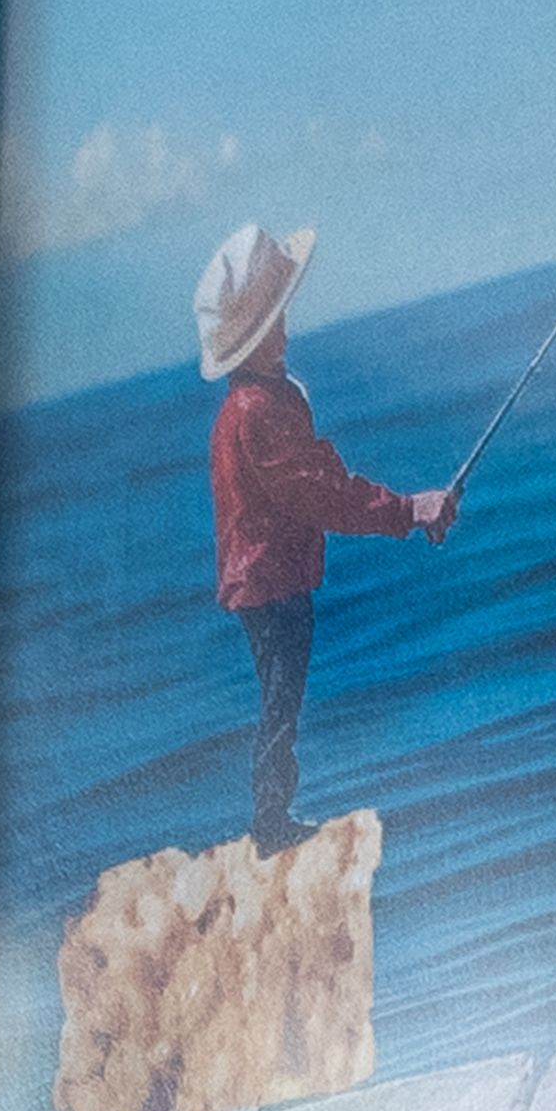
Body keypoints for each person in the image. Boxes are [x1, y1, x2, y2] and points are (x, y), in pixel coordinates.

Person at [195, 220, 449, 855]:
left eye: (279, 318)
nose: (283, 332)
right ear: (245, 344)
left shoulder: (253, 403)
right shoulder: (258, 412)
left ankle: (272, 817)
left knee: (280, 698)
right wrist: (407, 509)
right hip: (271, 584)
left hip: (263, 580)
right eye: (269, 326)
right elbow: (321, 495)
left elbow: (315, 482)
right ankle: (271, 825)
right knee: (281, 702)